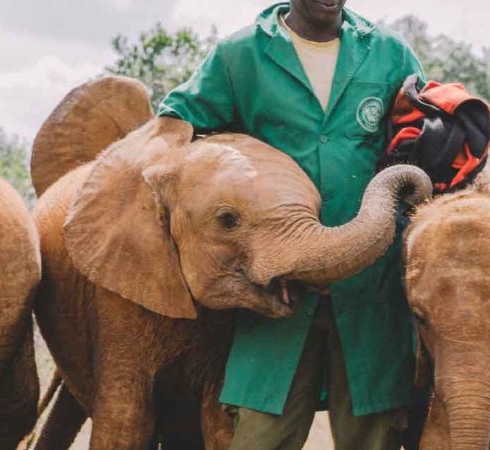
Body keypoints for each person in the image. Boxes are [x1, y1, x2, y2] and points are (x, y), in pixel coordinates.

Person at [158, 1, 424, 448]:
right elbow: (174, 128)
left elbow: (420, 140)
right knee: (260, 434)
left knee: (372, 436)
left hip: (370, 289)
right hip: (277, 288)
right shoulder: (240, 55)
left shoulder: (390, 54)